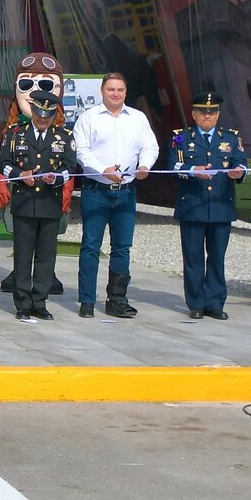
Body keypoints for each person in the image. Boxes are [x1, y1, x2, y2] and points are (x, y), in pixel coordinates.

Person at [71, 71, 159, 318]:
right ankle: (87, 300)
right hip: (96, 190)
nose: (116, 94)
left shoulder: (138, 118)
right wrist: (103, 170)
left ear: (126, 92)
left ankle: (117, 299)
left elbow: (150, 146)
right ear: (102, 91)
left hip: (126, 192)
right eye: (111, 89)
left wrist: (145, 166)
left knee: (122, 247)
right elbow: (82, 152)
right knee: (91, 246)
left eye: (120, 90)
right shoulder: (88, 118)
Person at [167, 90, 248, 320]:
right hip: (193, 206)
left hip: (221, 206)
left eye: (212, 112)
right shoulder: (181, 138)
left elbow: (242, 163)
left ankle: (215, 302)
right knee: (193, 257)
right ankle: (196, 303)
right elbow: (172, 166)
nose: (207, 116)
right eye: (202, 112)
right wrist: (193, 171)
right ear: (193, 114)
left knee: (217, 257)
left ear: (218, 115)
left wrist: (239, 172)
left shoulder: (230, 138)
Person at [0, 88, 75, 321]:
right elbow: (4, 164)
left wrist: (56, 178)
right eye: (39, 114)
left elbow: (70, 168)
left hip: (50, 203)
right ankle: (22, 303)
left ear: (53, 116)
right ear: (32, 111)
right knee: (23, 255)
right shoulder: (16, 134)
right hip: (24, 202)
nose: (42, 120)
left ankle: (39, 302)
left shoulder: (63, 137)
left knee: (46, 256)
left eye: (47, 116)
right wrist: (20, 175)